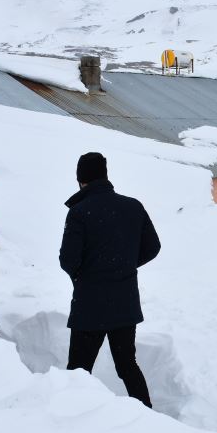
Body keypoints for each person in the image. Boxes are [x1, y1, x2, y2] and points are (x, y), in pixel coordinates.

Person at [59, 152, 160, 407]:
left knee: (78, 372)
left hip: (89, 306)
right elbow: (153, 247)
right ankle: (148, 417)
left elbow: (68, 261)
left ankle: (72, 416)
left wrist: (90, 273)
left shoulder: (79, 212)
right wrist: (123, 265)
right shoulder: (133, 206)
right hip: (124, 303)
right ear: (105, 175)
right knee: (127, 365)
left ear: (81, 180)